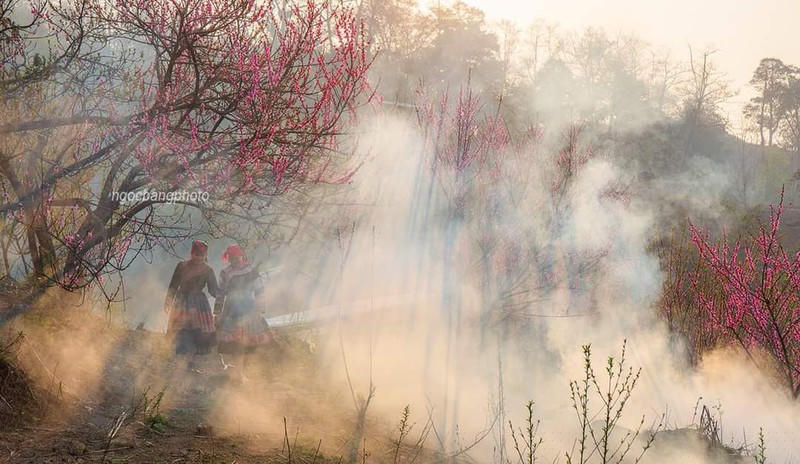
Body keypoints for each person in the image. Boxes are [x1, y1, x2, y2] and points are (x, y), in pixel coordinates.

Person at [215, 244, 273, 381]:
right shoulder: (226, 272)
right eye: (232, 259)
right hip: (232, 309)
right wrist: (217, 311)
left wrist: (261, 307)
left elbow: (259, 289)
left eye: (237, 258)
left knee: (250, 340)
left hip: (249, 307)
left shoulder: (250, 270)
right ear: (229, 259)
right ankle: (238, 373)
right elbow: (220, 293)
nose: (235, 261)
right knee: (237, 343)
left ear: (242, 256)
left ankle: (248, 373)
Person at [164, 240, 220, 372]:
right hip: (182, 302)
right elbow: (173, 285)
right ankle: (181, 362)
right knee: (181, 331)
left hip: (199, 304)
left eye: (201, 255)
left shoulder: (208, 270)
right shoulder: (182, 266)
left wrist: (224, 295)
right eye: (196, 254)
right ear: (192, 253)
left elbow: (213, 290)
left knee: (197, 332)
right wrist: (168, 300)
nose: (198, 257)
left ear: (205, 255)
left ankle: (191, 363)